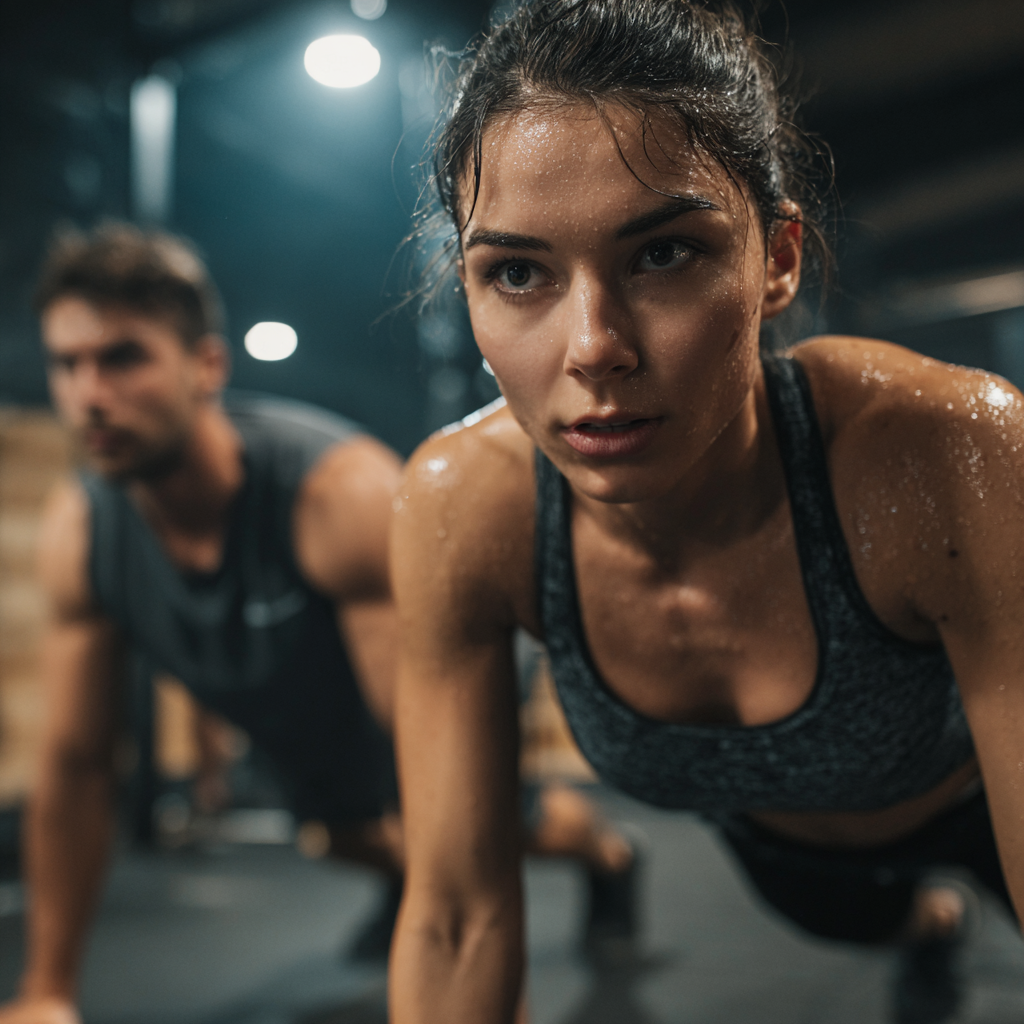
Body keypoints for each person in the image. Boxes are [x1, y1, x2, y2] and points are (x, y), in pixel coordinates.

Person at [388, 3, 1024, 1023]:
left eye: (664, 255)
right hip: (794, 864)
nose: (593, 347)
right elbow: (457, 919)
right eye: (516, 271)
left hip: (979, 803)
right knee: (873, 923)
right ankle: (928, 924)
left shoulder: (943, 454)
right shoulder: (464, 504)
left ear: (777, 261)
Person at [0, 224, 633, 1024]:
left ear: (206, 366)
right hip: (308, 710)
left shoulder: (337, 498)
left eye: (123, 358)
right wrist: (46, 993)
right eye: (68, 364)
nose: (89, 393)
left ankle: (610, 854)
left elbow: (430, 760)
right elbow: (76, 767)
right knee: (345, 838)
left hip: (429, 675)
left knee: (509, 823)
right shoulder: (83, 532)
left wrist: (479, 988)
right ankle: (404, 880)